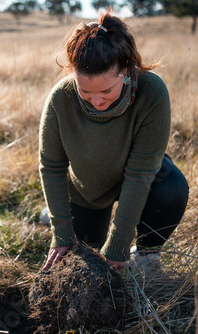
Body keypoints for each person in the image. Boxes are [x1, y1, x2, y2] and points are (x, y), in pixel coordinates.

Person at [39, 9, 189, 270]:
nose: (97, 102)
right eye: (85, 91)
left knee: (172, 187)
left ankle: (146, 257)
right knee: (86, 256)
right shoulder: (60, 99)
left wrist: (120, 241)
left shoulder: (151, 92)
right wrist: (61, 230)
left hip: (139, 179)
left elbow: (141, 172)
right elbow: (52, 167)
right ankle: (49, 215)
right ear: (72, 74)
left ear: (126, 70)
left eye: (107, 91)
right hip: (87, 190)